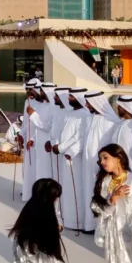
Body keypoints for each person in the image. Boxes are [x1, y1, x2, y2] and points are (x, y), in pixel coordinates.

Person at [9, 178, 69, 263]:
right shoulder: (34, 218)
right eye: (55, 198)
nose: (56, 202)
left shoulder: (44, 210)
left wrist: (58, 227)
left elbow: (57, 220)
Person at [77, 91, 120, 232]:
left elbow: (111, 146)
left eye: (89, 102)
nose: (86, 105)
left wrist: (104, 161)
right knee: (87, 191)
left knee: (101, 192)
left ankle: (100, 227)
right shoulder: (90, 119)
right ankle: (89, 225)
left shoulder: (110, 121)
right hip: (86, 164)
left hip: (101, 164)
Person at [53, 88, 91, 232]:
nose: (69, 99)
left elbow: (79, 138)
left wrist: (66, 149)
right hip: (64, 155)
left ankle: (77, 222)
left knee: (75, 190)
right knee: (65, 188)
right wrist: (58, 146)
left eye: (72, 97)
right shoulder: (70, 114)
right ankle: (66, 219)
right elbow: (61, 133)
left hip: (74, 158)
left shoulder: (84, 116)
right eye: (69, 96)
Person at [17, 81, 49, 201]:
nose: (30, 92)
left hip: (41, 141)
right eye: (28, 89)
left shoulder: (44, 105)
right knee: (29, 166)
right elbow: (26, 122)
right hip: (30, 139)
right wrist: (21, 134)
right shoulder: (28, 102)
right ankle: (28, 191)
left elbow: (44, 124)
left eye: (32, 89)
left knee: (39, 168)